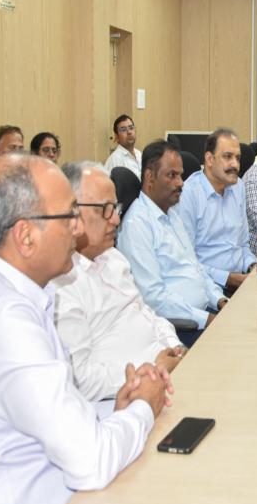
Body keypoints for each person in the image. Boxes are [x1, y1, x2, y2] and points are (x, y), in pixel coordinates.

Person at [0, 154, 169, 504]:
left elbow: (51, 414)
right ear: (25, 235)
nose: (79, 229)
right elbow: (92, 461)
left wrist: (114, 412)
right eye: (69, 216)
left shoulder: (9, 291)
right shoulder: (5, 323)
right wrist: (142, 408)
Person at [52, 161, 186, 402]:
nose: (115, 220)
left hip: (168, 376)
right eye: (104, 209)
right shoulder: (62, 284)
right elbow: (79, 380)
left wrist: (174, 348)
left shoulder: (113, 257)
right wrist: (151, 368)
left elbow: (147, 313)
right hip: (125, 401)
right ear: (71, 211)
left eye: (116, 208)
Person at [117, 140, 228, 346]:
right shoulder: (137, 224)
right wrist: (209, 320)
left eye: (181, 175)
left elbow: (195, 268)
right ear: (149, 176)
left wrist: (220, 300)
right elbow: (153, 298)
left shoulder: (172, 213)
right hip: (181, 327)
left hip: (204, 314)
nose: (180, 183)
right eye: (172, 175)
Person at [176, 128, 257, 296]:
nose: (235, 164)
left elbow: (243, 244)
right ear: (209, 159)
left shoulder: (238, 186)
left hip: (241, 281)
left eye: (237, 158)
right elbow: (186, 260)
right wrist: (228, 278)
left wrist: (253, 266)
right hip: (207, 288)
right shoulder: (188, 194)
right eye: (227, 157)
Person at [104, 114, 142, 179]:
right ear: (117, 137)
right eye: (123, 130)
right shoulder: (114, 160)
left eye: (131, 128)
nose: (129, 132)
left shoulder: (139, 154)